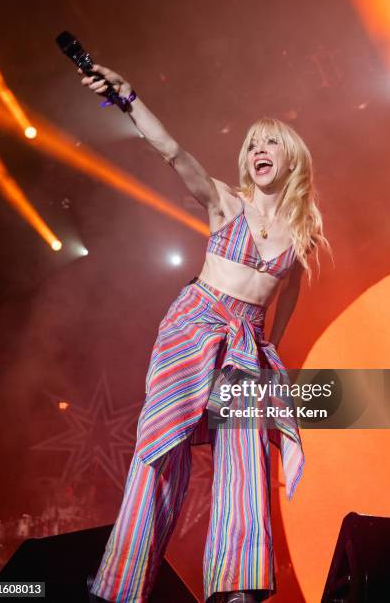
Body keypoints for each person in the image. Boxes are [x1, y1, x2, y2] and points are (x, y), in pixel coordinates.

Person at [79, 64, 330, 603]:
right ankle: (121, 586)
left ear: (291, 159)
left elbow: (289, 298)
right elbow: (172, 151)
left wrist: (269, 348)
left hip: (246, 342)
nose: (259, 149)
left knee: (246, 463)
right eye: (252, 143)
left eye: (271, 142)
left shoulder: (302, 233)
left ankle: (239, 588)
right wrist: (128, 98)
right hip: (195, 324)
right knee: (161, 451)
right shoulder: (225, 203)